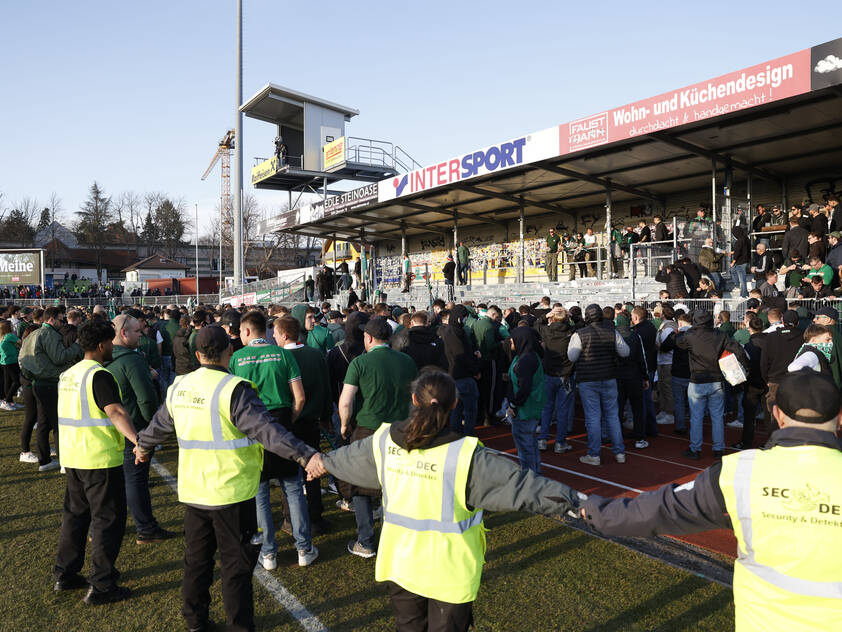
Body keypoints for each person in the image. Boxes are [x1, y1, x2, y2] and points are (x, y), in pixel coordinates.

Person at [314, 370, 580, 632]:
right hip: (450, 574)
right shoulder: (467, 455)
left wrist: (321, 462)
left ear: (415, 401)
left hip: (402, 566)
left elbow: (348, 459)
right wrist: (580, 504)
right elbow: (524, 488)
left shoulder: (386, 441)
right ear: (454, 404)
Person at [580, 370, 842, 632]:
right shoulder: (739, 472)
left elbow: (660, 510)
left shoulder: (740, 472)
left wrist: (589, 508)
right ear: (839, 418)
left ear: (778, 416)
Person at [135, 326, 324, 632]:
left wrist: (143, 446)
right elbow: (267, 431)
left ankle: (195, 621)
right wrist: (305, 454)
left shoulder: (179, 386)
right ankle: (239, 626)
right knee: (236, 567)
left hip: (195, 491)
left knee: (197, 561)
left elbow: (160, 424)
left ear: (197, 356)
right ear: (229, 353)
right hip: (231, 493)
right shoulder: (234, 389)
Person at [53, 319, 138, 605]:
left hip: (73, 456)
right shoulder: (99, 376)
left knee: (75, 517)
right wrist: (138, 441)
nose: (112, 347)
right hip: (99, 459)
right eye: (111, 342)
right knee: (107, 521)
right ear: (102, 345)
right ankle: (102, 584)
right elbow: (115, 412)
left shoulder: (68, 374)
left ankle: (65, 574)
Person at [229, 311, 317, 571]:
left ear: (246, 331)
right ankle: (304, 548)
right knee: (292, 487)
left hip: (252, 426)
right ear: (265, 332)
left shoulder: (236, 358)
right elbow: (299, 398)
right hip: (281, 422)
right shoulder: (283, 354)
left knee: (261, 493)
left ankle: (268, 553)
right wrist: (289, 418)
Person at [338, 316, 417, 558]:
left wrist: (343, 426)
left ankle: (366, 540)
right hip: (399, 430)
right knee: (395, 484)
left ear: (369, 337)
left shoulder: (360, 363)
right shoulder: (407, 361)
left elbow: (345, 401)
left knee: (361, 486)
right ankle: (395, 538)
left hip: (368, 429)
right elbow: (416, 400)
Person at [105, 314, 173, 545]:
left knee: (115, 481)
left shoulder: (103, 357)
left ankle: (106, 526)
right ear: (123, 333)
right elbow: (146, 398)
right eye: (137, 331)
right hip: (133, 427)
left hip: (110, 430)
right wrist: (151, 427)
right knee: (136, 479)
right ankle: (145, 528)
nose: (141, 335)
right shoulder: (132, 360)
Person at [274, 315, 333, 535]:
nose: (273, 337)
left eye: (276, 333)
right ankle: (315, 517)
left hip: (289, 422)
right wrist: (326, 416)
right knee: (313, 470)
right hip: (311, 422)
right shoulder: (315, 354)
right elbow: (326, 388)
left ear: (285, 334)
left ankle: (291, 520)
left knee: (290, 474)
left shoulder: (280, 357)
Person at [675, 310, 748, 459]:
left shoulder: (690, 336)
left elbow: (676, 341)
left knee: (696, 417)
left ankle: (695, 449)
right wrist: (747, 368)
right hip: (716, 381)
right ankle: (719, 449)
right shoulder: (721, 335)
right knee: (717, 417)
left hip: (697, 381)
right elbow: (738, 349)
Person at [18, 306, 83, 471]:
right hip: (50, 383)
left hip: (37, 383)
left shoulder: (34, 333)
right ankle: (65, 462)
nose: (62, 323)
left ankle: (45, 460)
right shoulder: (49, 334)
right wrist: (76, 345)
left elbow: (22, 358)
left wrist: (32, 375)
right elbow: (60, 357)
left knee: (44, 423)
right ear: (52, 320)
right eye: (61, 319)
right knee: (58, 424)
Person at [567, 304, 629, 466]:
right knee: (612, 416)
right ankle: (619, 452)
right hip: (609, 378)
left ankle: (594, 454)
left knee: (593, 418)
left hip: (588, 379)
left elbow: (572, 356)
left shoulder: (580, 334)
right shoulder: (612, 331)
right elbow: (625, 352)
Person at [535, 306, 575, 453]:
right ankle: (560, 442)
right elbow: (582, 325)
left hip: (549, 374)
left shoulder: (547, 331)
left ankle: (542, 440)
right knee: (563, 410)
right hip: (565, 375)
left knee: (547, 408)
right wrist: (571, 315)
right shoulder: (571, 332)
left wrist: (547, 315)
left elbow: (536, 324)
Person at [506, 327, 545, 474]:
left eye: (512, 339)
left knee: (525, 447)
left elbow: (524, 387)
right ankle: (535, 473)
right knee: (530, 444)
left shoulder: (525, 360)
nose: (510, 341)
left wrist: (514, 404)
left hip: (524, 410)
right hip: (530, 408)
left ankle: (530, 477)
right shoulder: (529, 355)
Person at [438, 306, 481, 435]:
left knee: (456, 409)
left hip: (453, 376)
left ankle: (456, 434)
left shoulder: (450, 331)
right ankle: (468, 434)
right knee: (469, 410)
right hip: (463, 376)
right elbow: (462, 355)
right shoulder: (457, 332)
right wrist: (475, 368)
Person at [0, 319, 22, 412]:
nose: (13, 327)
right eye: (11, 325)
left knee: (8, 382)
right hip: (11, 362)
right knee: (17, 381)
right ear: (8, 328)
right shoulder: (10, 336)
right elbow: (21, 342)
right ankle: (7, 400)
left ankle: (10, 401)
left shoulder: (2, 336)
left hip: (4, 362)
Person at [730, 225, 751, 298]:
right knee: (733, 270)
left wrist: (733, 262)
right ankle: (737, 286)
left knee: (742, 279)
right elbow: (743, 250)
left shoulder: (739, 241)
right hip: (745, 260)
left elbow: (738, 252)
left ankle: (743, 294)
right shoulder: (746, 239)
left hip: (740, 261)